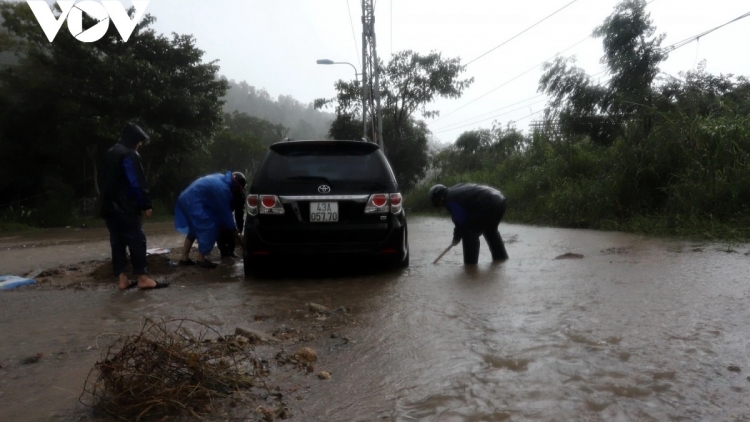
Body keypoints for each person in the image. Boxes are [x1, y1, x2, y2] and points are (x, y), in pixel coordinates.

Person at [100, 123, 169, 290]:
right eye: (139, 141)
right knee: (137, 240)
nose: (141, 144)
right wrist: (146, 205)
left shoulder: (110, 153)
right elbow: (136, 182)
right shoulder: (130, 154)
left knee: (117, 242)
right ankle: (143, 278)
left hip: (108, 207)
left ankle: (122, 279)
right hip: (126, 207)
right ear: (133, 140)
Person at [175, 171, 245, 268]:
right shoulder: (224, 189)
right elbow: (225, 212)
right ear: (236, 186)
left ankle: (184, 258)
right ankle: (201, 259)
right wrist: (233, 227)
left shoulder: (222, 178)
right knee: (208, 227)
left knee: (193, 230)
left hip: (186, 198)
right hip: (194, 200)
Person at [428, 183, 509, 265]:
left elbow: (460, 222)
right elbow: (464, 218)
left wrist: (456, 237)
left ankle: (470, 268)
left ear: (440, 199)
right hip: (499, 201)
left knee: (469, 234)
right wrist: (457, 236)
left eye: (438, 204)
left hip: (488, 204)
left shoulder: (450, 199)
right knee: (490, 231)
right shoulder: (454, 191)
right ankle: (501, 260)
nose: (441, 206)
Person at [217, 173, 246, 259]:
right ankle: (225, 252)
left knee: (227, 231)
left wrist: (238, 227)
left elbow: (239, 211)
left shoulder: (235, 191)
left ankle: (227, 252)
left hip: (222, 213)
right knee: (223, 231)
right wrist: (237, 227)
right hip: (220, 212)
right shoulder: (232, 190)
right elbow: (238, 212)